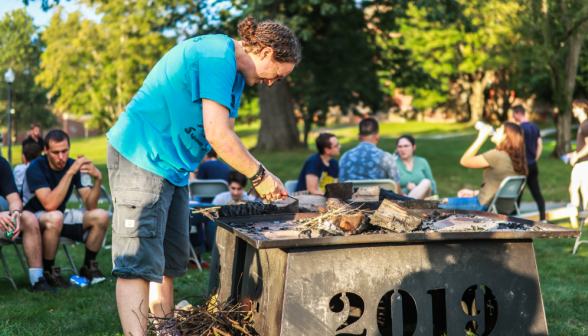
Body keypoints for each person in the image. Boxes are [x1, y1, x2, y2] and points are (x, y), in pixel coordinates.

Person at [105, 16, 300, 335]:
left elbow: (229, 136)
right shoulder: (215, 55)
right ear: (264, 52)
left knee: (169, 259)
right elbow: (217, 135)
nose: (271, 82)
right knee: (136, 263)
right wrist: (260, 174)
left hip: (174, 169)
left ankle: (166, 327)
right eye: (276, 75)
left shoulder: (236, 75)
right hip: (142, 154)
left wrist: (254, 172)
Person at [22, 130, 110, 288]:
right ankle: (50, 273)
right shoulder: (36, 167)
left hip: (59, 216)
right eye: (55, 153)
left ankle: (88, 268)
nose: (61, 157)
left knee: (101, 215)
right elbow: (49, 204)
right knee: (55, 216)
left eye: (64, 151)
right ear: (46, 150)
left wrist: (97, 179)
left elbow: (91, 206)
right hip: (33, 218)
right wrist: (70, 172)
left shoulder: (72, 165)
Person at [440, 123, 528, 213]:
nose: (496, 130)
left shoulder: (496, 156)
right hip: (497, 207)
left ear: (506, 136)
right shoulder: (515, 160)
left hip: (481, 205)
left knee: (432, 204)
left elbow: (464, 161)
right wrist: (474, 193)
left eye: (500, 129)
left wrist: (481, 138)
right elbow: (499, 191)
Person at [1, 156, 56, 292]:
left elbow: (14, 197)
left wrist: (15, 213)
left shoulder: (1, 163)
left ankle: (37, 281)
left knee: (28, 218)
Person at [339, 118, 403, 194]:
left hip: (350, 205)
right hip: (380, 205)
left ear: (359, 136)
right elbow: (397, 191)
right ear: (377, 136)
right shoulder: (386, 158)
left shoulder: (345, 158)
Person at [512, 105, 546, 220]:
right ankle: (543, 218)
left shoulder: (520, 128)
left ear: (518, 114)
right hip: (533, 165)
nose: (512, 116)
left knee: (517, 194)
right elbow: (540, 145)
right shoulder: (534, 127)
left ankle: (514, 218)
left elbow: (516, 146)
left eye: (513, 114)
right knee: (537, 193)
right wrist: (534, 159)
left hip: (523, 166)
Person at [395, 135, 436, 199]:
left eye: (406, 146)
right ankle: (407, 204)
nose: (402, 149)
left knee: (427, 182)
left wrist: (416, 188)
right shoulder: (393, 164)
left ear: (413, 147)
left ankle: (408, 204)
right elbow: (391, 189)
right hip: (401, 199)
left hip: (423, 200)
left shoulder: (422, 162)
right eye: (400, 146)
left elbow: (432, 187)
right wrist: (407, 189)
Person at [566, 99, 588, 210]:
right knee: (583, 190)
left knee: (575, 189)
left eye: (575, 108)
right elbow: (583, 145)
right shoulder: (583, 125)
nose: (573, 110)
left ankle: (575, 214)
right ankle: (583, 215)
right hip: (582, 161)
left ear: (582, 108)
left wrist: (576, 157)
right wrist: (574, 153)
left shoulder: (586, 125)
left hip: (584, 163)